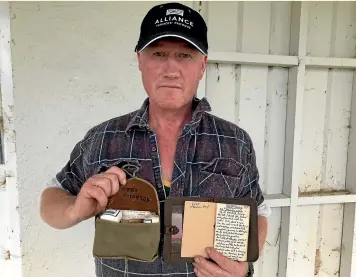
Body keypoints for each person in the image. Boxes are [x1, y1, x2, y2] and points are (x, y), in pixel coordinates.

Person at [39, 2, 270, 277]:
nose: (171, 69)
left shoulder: (235, 142)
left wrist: (241, 268)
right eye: (159, 53)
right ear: (140, 60)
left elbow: (257, 211)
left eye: (185, 55)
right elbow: (52, 198)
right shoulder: (103, 139)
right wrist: (75, 210)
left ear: (203, 65)